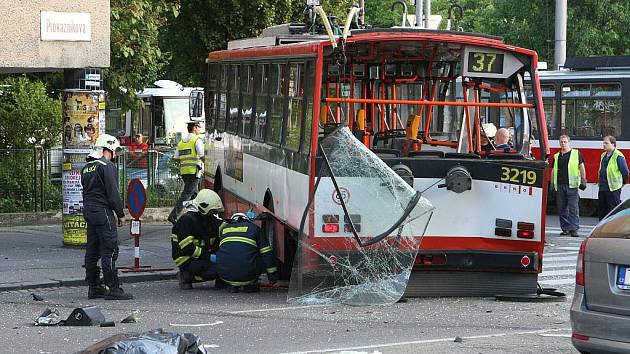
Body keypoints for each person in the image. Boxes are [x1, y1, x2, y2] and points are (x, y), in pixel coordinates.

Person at [81, 134, 133, 300]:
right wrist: (120, 214)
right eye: (113, 151)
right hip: (103, 212)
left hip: (89, 211)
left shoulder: (86, 168)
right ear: (106, 149)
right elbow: (113, 194)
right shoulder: (106, 166)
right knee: (109, 249)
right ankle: (113, 288)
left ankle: (94, 287)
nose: (115, 155)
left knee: (92, 249)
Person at [171, 189, 224, 289]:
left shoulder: (208, 219)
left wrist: (241, 219)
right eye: (213, 211)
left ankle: (222, 281)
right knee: (216, 270)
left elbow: (223, 226)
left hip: (202, 257)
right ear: (205, 208)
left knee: (225, 267)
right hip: (186, 259)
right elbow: (188, 248)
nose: (215, 213)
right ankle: (186, 276)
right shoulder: (186, 222)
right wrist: (209, 256)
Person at [216, 213, 279, 293]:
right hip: (249, 276)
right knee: (261, 253)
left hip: (225, 277)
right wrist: (273, 276)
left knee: (227, 253)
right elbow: (267, 254)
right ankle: (250, 285)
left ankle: (232, 285)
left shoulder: (224, 230)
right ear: (246, 219)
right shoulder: (255, 229)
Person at [168, 121, 205, 224]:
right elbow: (202, 156)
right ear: (194, 128)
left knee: (194, 195)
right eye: (199, 127)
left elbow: (176, 157)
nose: (200, 129)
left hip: (184, 172)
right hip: (194, 172)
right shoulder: (196, 140)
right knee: (187, 194)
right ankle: (173, 215)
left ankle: (198, 217)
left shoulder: (181, 142)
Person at [551, 135, 587, 237]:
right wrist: (552, 184)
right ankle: (565, 229)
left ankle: (574, 229)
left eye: (565, 142)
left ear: (569, 142)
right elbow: (553, 170)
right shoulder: (557, 156)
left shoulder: (576, 153)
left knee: (573, 209)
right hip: (560, 185)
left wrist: (584, 180)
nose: (563, 144)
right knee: (562, 209)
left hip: (572, 186)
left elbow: (582, 167)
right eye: (561, 142)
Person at [597, 135, 629, 220]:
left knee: (612, 211)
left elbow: (625, 172)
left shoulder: (618, 156)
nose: (604, 145)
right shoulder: (603, 155)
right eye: (603, 143)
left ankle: (612, 231)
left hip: (613, 189)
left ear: (613, 144)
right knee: (602, 211)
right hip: (603, 188)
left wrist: (622, 183)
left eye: (606, 143)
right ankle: (602, 230)